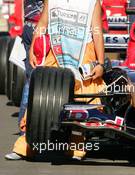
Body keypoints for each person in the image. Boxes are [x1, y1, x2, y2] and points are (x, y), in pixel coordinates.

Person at [5, 0, 105, 160]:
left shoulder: (93, 3)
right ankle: (26, 145)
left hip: (84, 52)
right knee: (40, 96)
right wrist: (32, 49)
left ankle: (76, 146)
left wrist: (100, 63)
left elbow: (97, 32)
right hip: (56, 52)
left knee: (82, 98)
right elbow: (43, 24)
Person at [5, 0, 44, 160]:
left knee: (34, 83)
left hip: (39, 25)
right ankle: (25, 139)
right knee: (33, 83)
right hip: (40, 27)